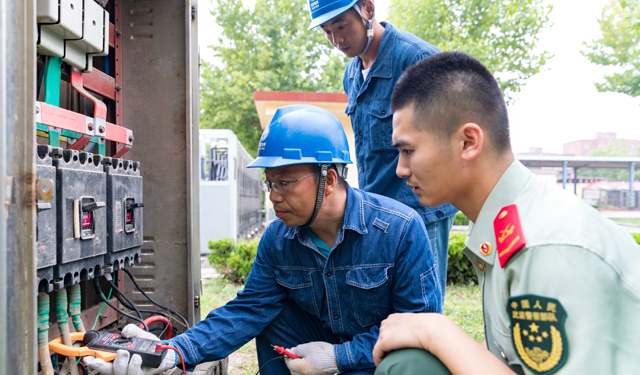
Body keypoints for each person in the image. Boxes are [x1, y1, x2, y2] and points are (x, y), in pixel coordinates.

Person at [85, 104, 442, 375]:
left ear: (329, 179)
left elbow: (420, 328)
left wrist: (338, 358)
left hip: (378, 362)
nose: (273, 196)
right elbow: (248, 309)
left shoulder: (399, 230)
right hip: (308, 353)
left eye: (285, 182)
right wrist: (175, 351)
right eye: (269, 182)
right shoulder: (278, 239)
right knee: (270, 314)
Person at [370, 51, 640, 375]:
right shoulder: (506, 224)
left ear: (468, 142)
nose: (400, 169)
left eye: (408, 151)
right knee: (412, 363)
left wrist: (434, 330)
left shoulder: (547, 246)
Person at [307, 0, 458, 296]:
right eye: (326, 31)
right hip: (376, 210)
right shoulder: (351, 73)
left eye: (341, 25)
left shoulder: (416, 58)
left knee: (423, 307)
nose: (336, 40)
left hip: (421, 209)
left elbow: (448, 138)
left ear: (367, 9)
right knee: (382, 305)